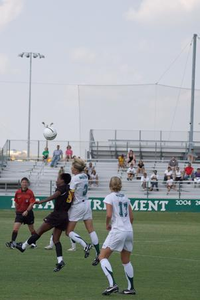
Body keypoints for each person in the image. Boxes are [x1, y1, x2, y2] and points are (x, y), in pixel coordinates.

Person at [15, 173, 72, 272]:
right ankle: (60, 261)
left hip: (57, 215)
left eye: (58, 178)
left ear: (62, 180)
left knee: (39, 231)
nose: (56, 180)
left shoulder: (61, 189)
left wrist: (41, 202)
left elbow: (54, 196)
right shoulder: (69, 189)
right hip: (64, 216)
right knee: (56, 239)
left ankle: (23, 246)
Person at [99, 177, 136, 296]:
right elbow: (131, 217)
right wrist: (126, 228)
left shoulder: (110, 197)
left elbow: (109, 214)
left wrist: (107, 224)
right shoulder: (125, 198)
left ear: (110, 185)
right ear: (120, 185)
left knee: (102, 256)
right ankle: (131, 288)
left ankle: (112, 284)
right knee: (126, 260)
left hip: (118, 230)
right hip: (129, 230)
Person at [66, 158, 100, 266]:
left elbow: (70, 195)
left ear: (76, 169)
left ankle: (85, 244)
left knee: (68, 231)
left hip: (78, 205)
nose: (71, 168)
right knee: (91, 230)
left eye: (72, 167)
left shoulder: (74, 178)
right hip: (87, 204)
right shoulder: (85, 175)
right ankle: (98, 253)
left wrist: (66, 206)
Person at [6, 177, 37, 249]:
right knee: (15, 229)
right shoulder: (17, 192)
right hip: (19, 213)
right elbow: (16, 202)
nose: (24, 184)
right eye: (23, 182)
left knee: (32, 229)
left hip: (29, 214)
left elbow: (32, 203)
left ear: (28, 184)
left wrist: (27, 211)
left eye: (26, 182)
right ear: (21, 183)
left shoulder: (30, 192)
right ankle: (13, 242)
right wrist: (16, 211)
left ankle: (34, 243)